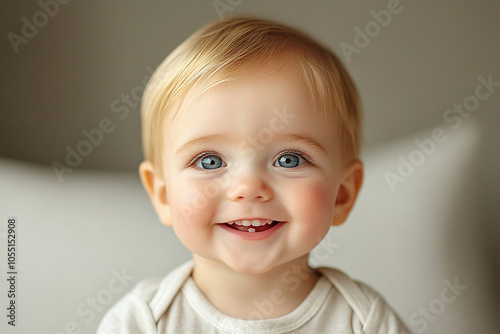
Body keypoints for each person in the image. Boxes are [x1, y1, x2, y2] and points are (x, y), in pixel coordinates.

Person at [97, 16, 410, 333]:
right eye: (209, 161)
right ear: (163, 195)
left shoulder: (364, 322)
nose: (248, 188)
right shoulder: (142, 323)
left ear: (342, 193)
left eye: (289, 160)